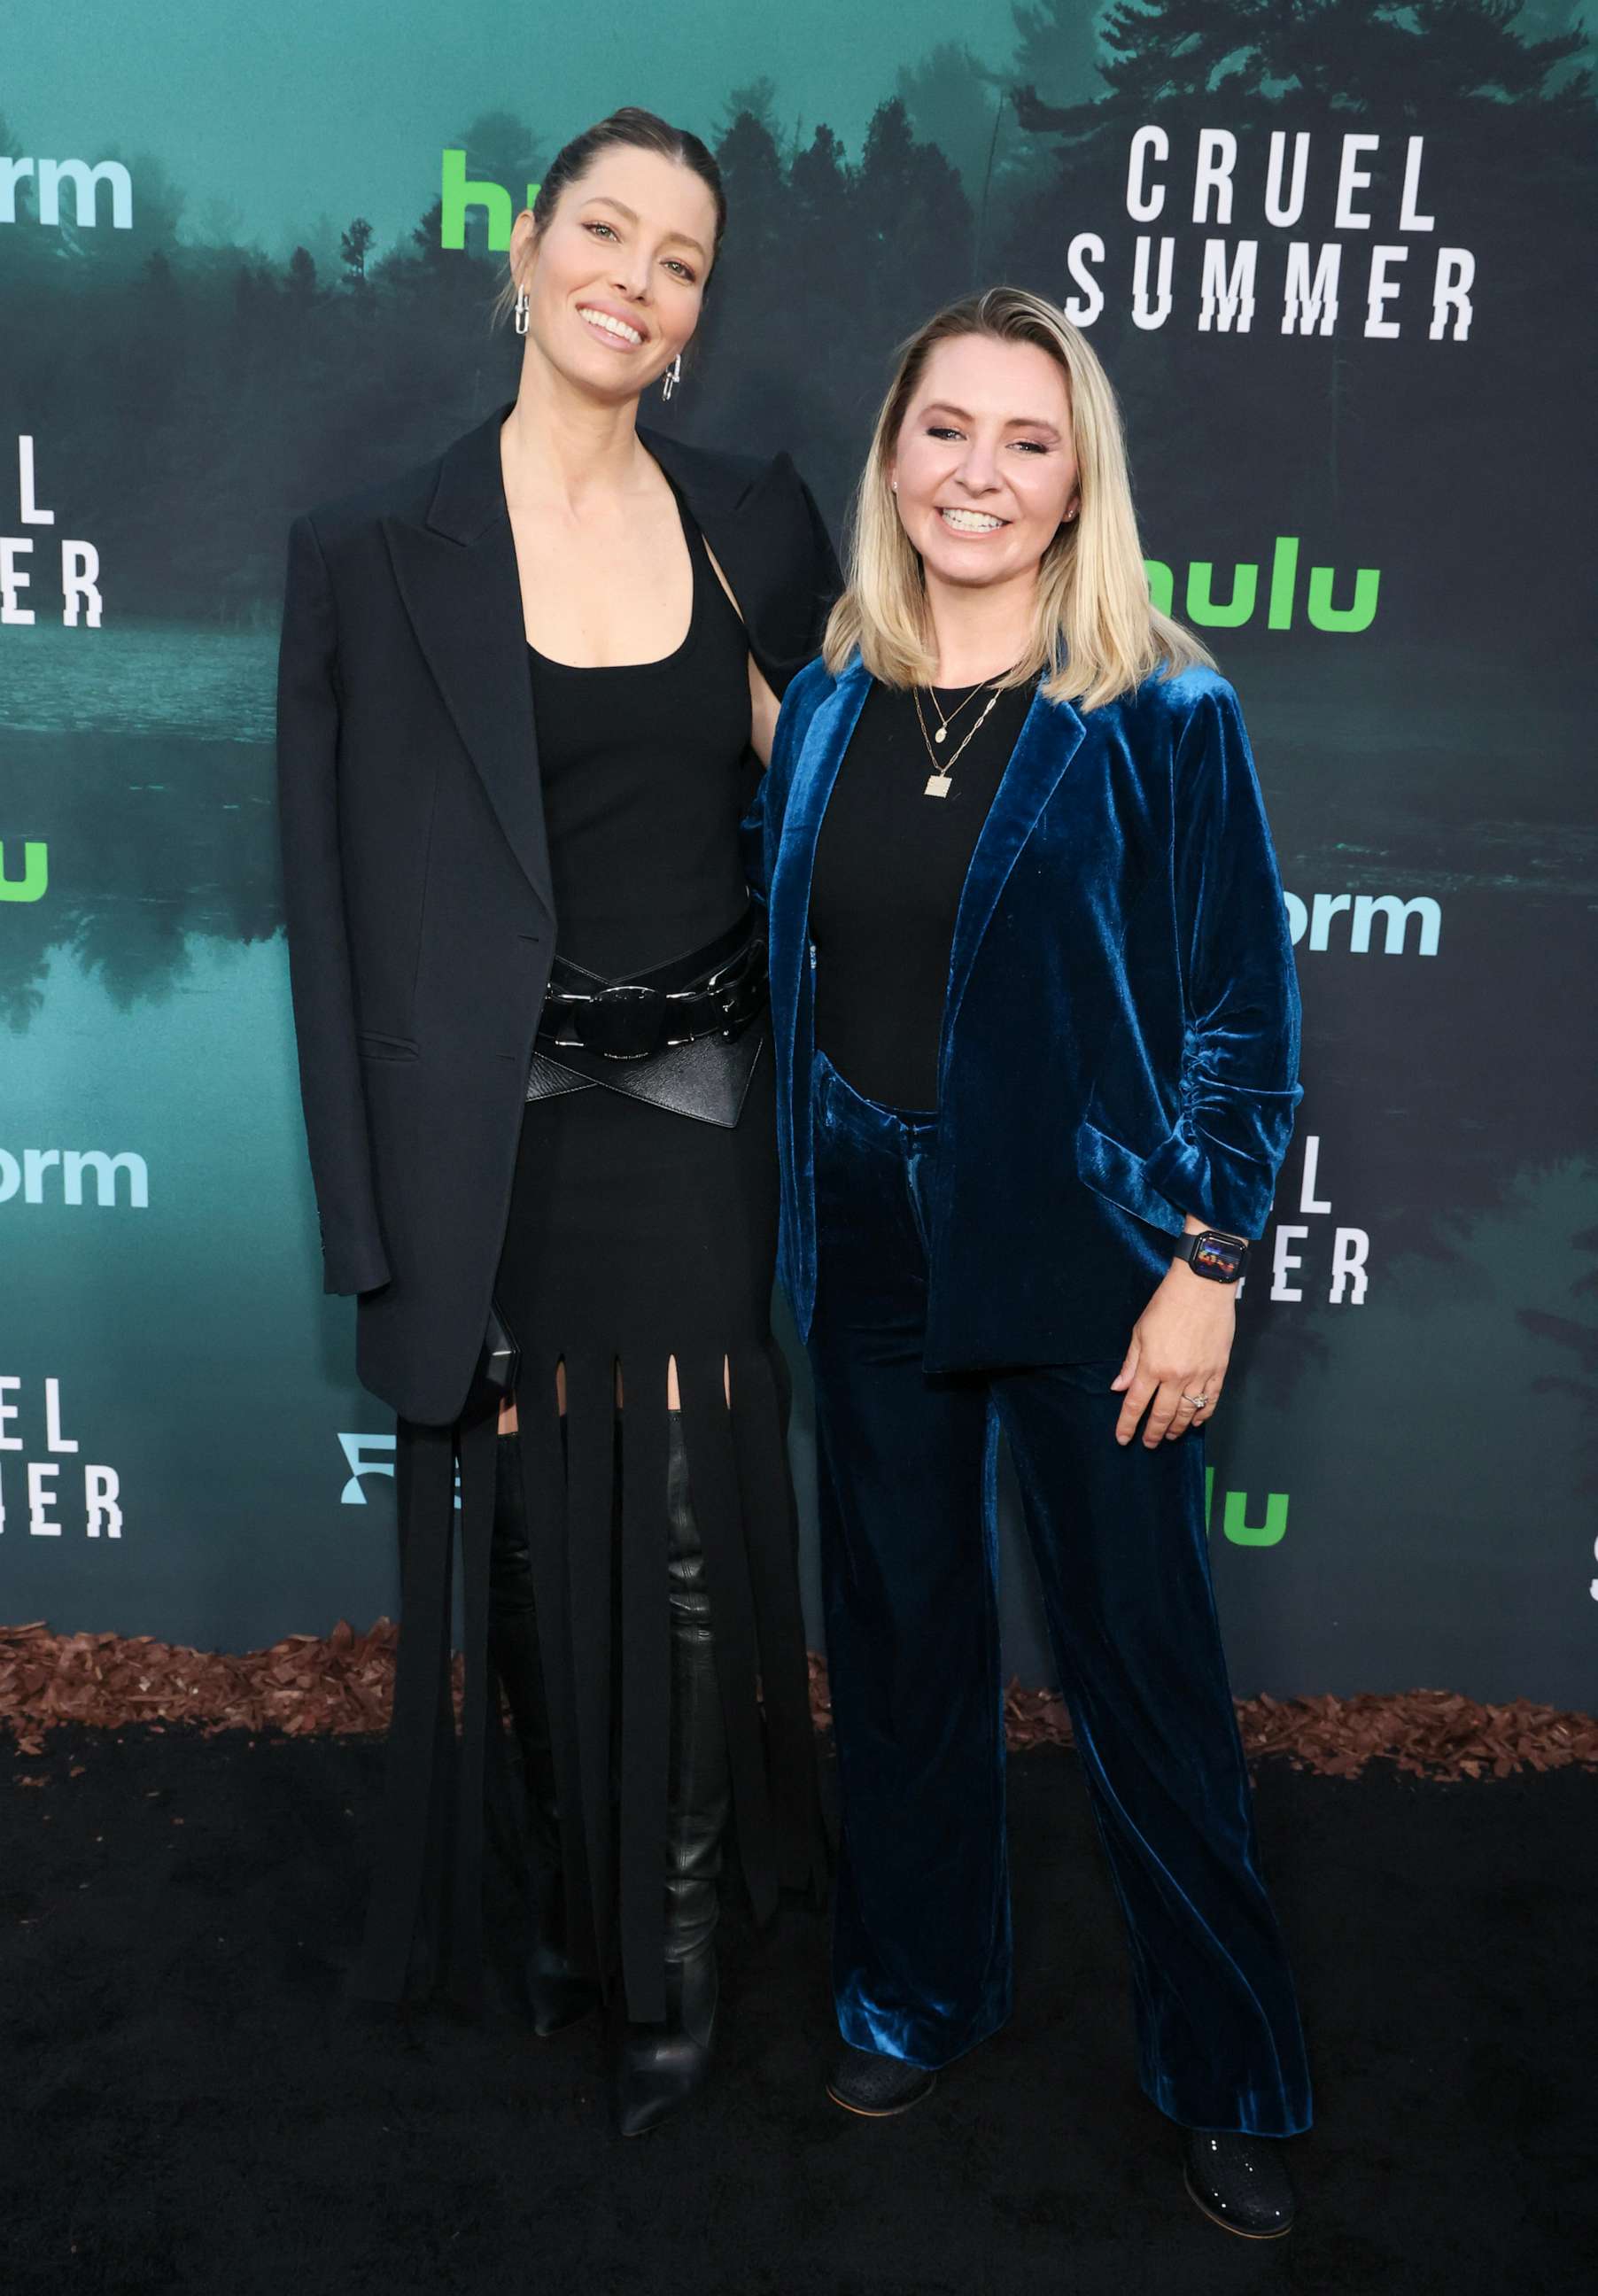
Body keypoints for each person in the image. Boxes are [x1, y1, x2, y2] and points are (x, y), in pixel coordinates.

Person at [275, 107, 834, 2136]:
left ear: (694, 315)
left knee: (680, 1538)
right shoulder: (365, 552)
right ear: (523, 252)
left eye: (679, 258)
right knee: (518, 1537)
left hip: (690, 1122)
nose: (637, 277)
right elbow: (329, 922)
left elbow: (837, 821)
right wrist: (373, 1230)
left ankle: (670, 1955)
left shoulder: (756, 524)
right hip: (484, 1152)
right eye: (606, 231)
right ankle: (558, 1922)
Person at [747, 286, 1312, 2236]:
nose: (975, 473)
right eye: (943, 430)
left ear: (1078, 484)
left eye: (1025, 440)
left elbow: (1242, 1011)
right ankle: (918, 1989)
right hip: (871, 1248)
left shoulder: (1161, 702)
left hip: (1088, 1260)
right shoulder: (826, 696)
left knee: (1141, 1674)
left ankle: (1229, 2071)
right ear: (889, 456)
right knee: (900, 1650)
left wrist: (1208, 1261)